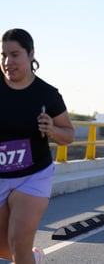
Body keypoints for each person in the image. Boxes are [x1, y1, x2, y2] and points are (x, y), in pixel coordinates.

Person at [0, 28, 75, 264]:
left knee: (18, 244)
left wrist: (52, 129)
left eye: (14, 55)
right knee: (4, 250)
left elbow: (69, 135)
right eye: (2, 55)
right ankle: (33, 258)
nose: (7, 62)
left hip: (32, 175)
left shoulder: (47, 94)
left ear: (31, 54)